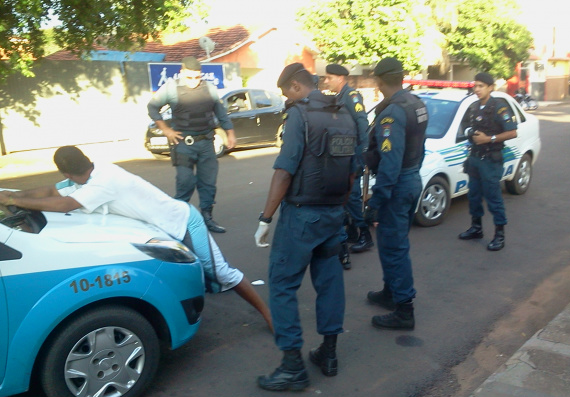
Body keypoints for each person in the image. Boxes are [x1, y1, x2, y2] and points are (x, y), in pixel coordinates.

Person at [0, 146, 272, 331]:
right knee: (200, 273)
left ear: (67, 172)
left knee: (222, 272)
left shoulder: (101, 183)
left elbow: (64, 204)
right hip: (164, 227)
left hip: (182, 222)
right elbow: (51, 191)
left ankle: (270, 317)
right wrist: (14, 195)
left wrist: (13, 199)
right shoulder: (95, 172)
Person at [253, 63, 358, 391]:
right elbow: (353, 169)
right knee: (329, 282)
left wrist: (265, 218)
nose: (286, 98)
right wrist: (341, 207)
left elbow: (284, 171)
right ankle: (328, 354)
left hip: (302, 216)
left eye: (286, 92)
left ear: (296, 87)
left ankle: (292, 366)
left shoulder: (300, 114)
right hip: (333, 213)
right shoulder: (344, 113)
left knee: (282, 284)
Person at [362, 57, 428, 330]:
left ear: (379, 81)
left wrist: (376, 201)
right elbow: (419, 146)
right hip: (411, 177)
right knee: (392, 245)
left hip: (397, 184)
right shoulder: (416, 103)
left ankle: (404, 309)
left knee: (394, 248)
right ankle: (391, 292)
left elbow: (390, 163)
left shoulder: (391, 114)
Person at [147, 56, 235, 234]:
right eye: (190, 77)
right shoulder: (171, 88)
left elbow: (220, 112)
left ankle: (207, 218)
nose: (194, 81)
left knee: (208, 183)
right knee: (185, 182)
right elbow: (152, 108)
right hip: (183, 144)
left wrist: (230, 133)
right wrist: (166, 130)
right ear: (182, 72)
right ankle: (177, 220)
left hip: (206, 143)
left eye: (197, 77)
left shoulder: (208, 88)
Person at [458, 72, 518, 251]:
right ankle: (476, 228)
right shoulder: (474, 106)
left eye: (480, 86)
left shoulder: (499, 107)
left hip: (491, 161)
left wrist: (490, 139)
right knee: (474, 196)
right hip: (475, 158)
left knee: (493, 199)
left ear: (490, 88)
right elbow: (469, 128)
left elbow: (512, 132)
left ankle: (500, 235)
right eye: (475, 86)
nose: (476, 89)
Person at [325, 64, 373, 263]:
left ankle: (365, 235)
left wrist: (362, 152)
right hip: (342, 155)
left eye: (329, 78)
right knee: (347, 196)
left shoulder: (352, 96)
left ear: (340, 78)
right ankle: (353, 231)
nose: (326, 81)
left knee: (352, 196)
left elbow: (362, 122)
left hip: (352, 155)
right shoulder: (338, 97)